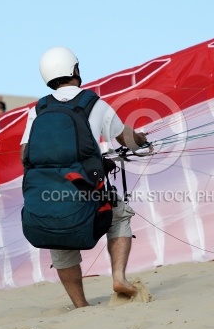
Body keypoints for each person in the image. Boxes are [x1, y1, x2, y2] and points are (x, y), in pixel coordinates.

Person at [19, 46, 149, 308]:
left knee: (59, 233)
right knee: (120, 214)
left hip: (49, 192)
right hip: (88, 191)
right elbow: (126, 139)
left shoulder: (40, 108)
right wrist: (141, 140)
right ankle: (119, 277)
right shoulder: (93, 103)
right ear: (74, 70)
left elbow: (25, 152)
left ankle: (80, 305)